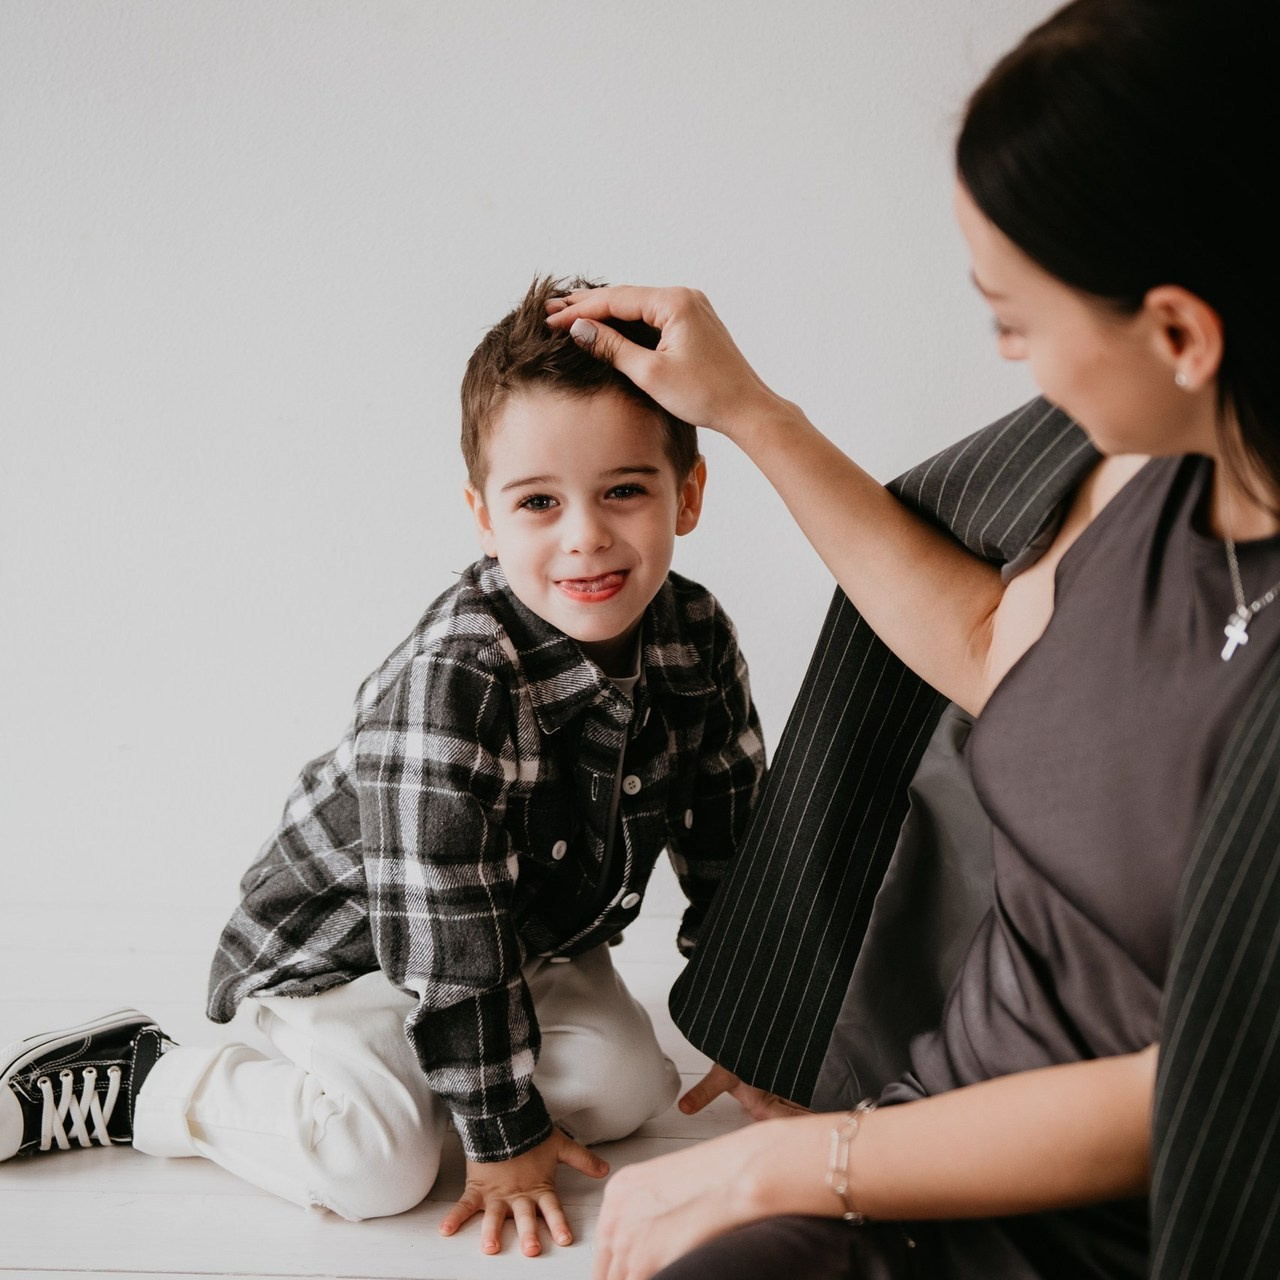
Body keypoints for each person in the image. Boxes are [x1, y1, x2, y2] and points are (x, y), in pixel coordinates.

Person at [543, 0, 1280, 1276]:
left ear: (1177, 332)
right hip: (919, 1143)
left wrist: (800, 1162)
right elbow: (996, 646)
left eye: (1012, 314)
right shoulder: (1148, 474)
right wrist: (747, 411)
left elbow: (1204, 1091)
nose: (1002, 355)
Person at [0, 276, 766, 1259]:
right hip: (353, 951)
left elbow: (734, 848)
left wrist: (762, 1036)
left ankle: (439, 1075)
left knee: (625, 1086)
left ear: (686, 494)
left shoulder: (693, 636)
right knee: (378, 1170)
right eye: (538, 501)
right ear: (483, 516)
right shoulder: (460, 674)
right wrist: (499, 1138)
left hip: (519, 933)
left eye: (624, 488)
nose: (584, 534)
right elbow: (441, 931)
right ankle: (147, 1077)